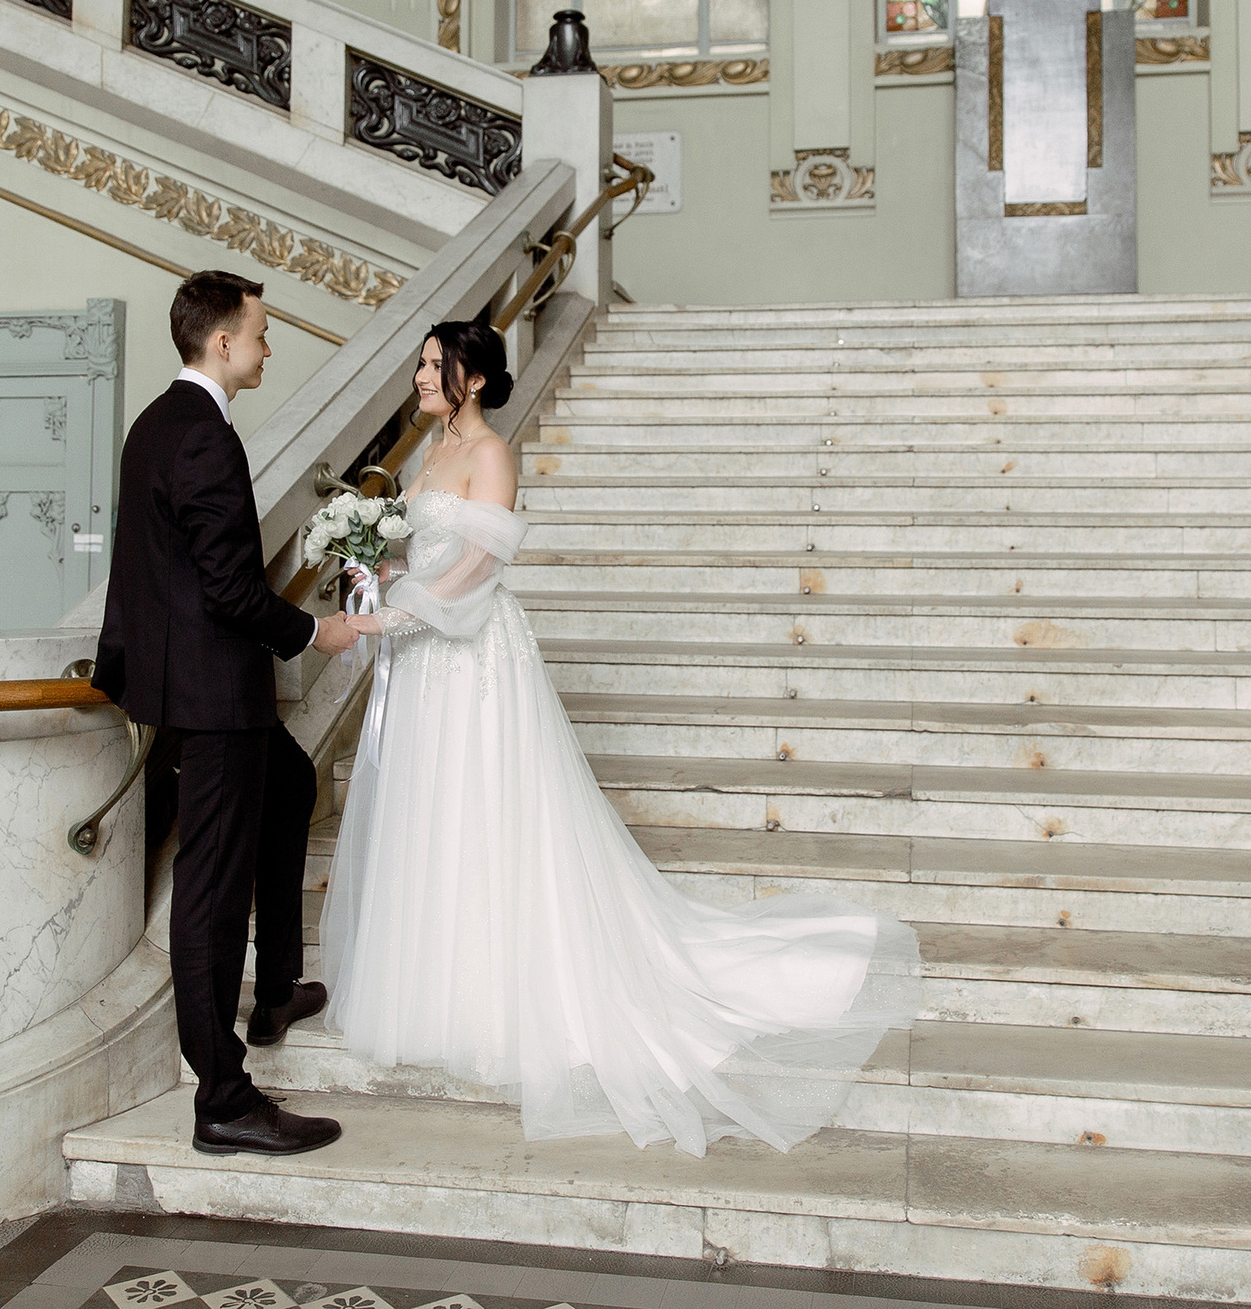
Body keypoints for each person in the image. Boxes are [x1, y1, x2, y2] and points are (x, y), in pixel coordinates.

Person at [323, 322, 921, 1155]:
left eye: (437, 365)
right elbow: (430, 555)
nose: (422, 376)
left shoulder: (491, 452)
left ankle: (506, 997)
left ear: (478, 380)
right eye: (421, 364)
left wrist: (392, 611)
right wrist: (377, 572)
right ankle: (437, 986)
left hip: (474, 657)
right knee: (434, 817)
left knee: (487, 814)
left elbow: (475, 571)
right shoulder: (430, 451)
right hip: (426, 662)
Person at [93, 270, 360, 1158]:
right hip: (212, 695)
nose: (267, 346)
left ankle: (276, 983)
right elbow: (231, 589)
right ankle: (222, 1095)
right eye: (260, 332)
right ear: (221, 343)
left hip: (189, 686)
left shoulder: (156, 423)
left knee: (288, 782)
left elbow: (146, 572)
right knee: (207, 894)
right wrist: (313, 630)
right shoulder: (204, 437)